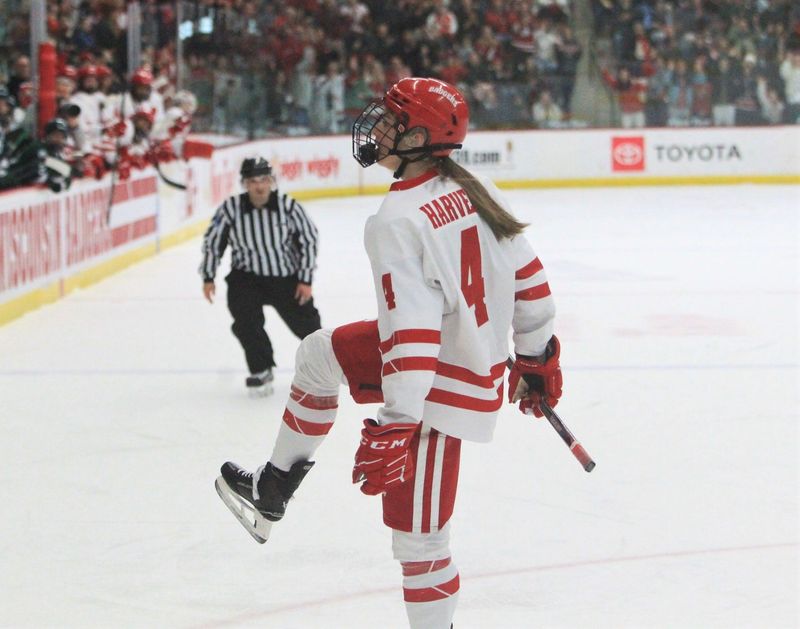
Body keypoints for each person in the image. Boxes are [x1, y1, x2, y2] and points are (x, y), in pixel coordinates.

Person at [215, 78, 562, 628]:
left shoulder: (398, 221)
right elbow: (531, 280)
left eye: (392, 121)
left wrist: (398, 422)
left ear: (420, 137)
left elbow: (413, 334)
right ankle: (272, 487)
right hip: (448, 362)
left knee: (421, 543)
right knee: (318, 355)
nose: (377, 127)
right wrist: (537, 356)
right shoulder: (478, 187)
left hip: (439, 388)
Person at [200, 156, 322, 396]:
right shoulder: (231, 208)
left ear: (271, 182)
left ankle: (323, 367)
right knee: (246, 323)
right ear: (244, 184)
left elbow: (309, 239)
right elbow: (213, 242)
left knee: (308, 325)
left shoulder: (287, 206)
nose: (259, 186)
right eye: (253, 181)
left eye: (264, 180)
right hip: (246, 278)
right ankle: (261, 369)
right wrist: (208, 276)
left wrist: (305, 279)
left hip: (285, 277)